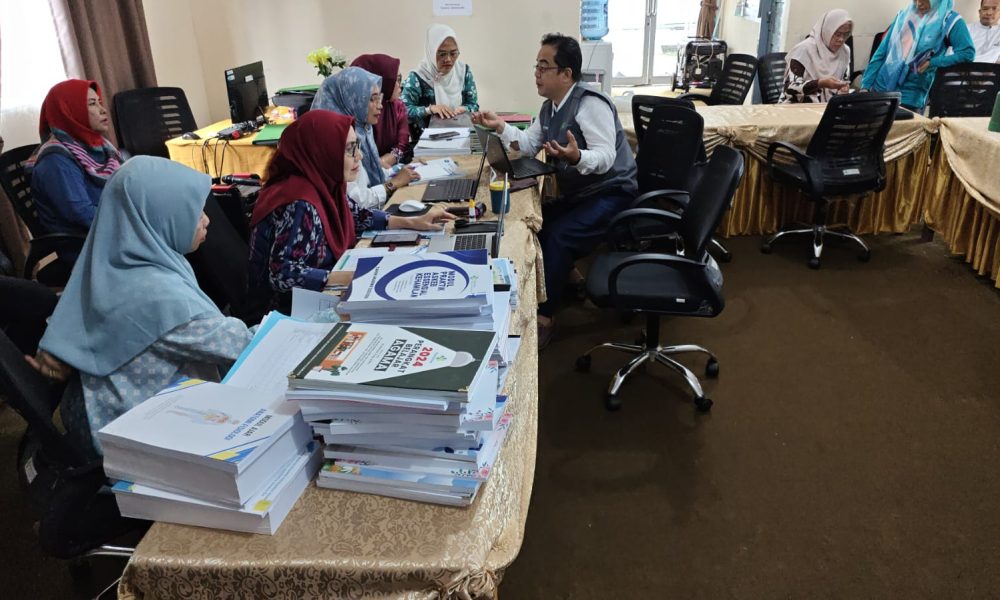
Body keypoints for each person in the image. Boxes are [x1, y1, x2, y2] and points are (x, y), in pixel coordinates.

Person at [30, 156, 253, 456]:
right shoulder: (159, 298)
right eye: (194, 211)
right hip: (122, 430)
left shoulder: (113, 263)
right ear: (158, 216)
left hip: (88, 407)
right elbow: (241, 346)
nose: (206, 220)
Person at [473, 33, 638, 349]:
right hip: (585, 193)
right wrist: (500, 127)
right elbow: (528, 144)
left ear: (566, 74)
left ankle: (546, 317)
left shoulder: (590, 104)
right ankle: (572, 278)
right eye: (536, 66)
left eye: (544, 67)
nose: (536, 73)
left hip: (614, 192)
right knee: (541, 221)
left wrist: (577, 157)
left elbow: (606, 157)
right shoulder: (550, 107)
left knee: (559, 236)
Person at [247, 110, 454, 315]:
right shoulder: (300, 202)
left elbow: (357, 216)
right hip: (287, 310)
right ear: (322, 151)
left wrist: (415, 222)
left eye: (357, 146)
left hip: (320, 290)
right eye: (349, 149)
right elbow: (282, 274)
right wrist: (351, 277)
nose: (359, 156)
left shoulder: (323, 183)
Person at [25, 79, 124, 270]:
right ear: (69, 111)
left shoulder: (102, 147)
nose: (103, 110)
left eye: (100, 102)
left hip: (111, 229)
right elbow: (83, 215)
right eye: (92, 104)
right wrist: (134, 222)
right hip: (86, 245)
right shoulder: (55, 161)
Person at [312, 66, 419, 210]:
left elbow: (371, 173)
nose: (380, 106)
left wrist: (401, 169)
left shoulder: (362, 130)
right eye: (372, 99)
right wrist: (393, 184)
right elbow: (355, 202)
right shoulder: (336, 140)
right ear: (351, 99)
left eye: (379, 98)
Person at [861, 0, 976, 110]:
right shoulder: (903, 16)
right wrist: (865, 87)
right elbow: (881, 53)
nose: (918, 4)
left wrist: (932, 62)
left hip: (910, 96)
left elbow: (967, 53)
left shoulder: (950, 20)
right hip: (880, 88)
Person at [402, 24, 480, 128]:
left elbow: (474, 105)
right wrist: (429, 110)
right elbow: (402, 111)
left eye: (453, 53)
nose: (448, 59)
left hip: (460, 131)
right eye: (442, 54)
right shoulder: (418, 76)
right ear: (431, 52)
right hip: (426, 135)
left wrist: (465, 109)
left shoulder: (463, 71)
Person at [781, 10, 854, 103]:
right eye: (837, 34)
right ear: (827, 31)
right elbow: (789, 89)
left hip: (829, 105)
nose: (841, 39)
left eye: (846, 34)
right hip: (797, 105)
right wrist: (820, 83)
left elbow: (844, 80)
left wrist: (843, 89)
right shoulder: (803, 50)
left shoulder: (844, 51)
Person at [351, 54, 410, 167]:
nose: (400, 85)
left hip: (389, 168)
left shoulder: (397, 106)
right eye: (396, 80)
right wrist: (377, 167)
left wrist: (383, 163)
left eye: (400, 79)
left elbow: (403, 143)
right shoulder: (355, 112)